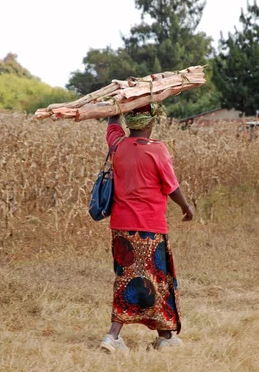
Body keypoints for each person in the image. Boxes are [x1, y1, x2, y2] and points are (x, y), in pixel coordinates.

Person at [100, 103, 194, 354]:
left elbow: (112, 125)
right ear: (151, 123)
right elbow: (172, 187)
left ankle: (164, 335)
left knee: (131, 276)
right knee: (152, 279)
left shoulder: (117, 145)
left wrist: (116, 106)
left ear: (131, 123)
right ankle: (112, 336)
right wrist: (187, 207)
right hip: (149, 228)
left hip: (121, 227)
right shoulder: (158, 150)